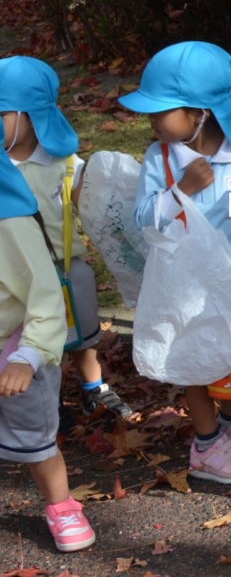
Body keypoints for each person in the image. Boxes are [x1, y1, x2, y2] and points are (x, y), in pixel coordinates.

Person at [122, 42, 231, 483]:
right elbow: (143, 218)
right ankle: (205, 444)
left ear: (200, 112)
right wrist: (179, 189)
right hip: (189, 280)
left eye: (159, 110)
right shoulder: (160, 160)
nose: (149, 120)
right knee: (197, 356)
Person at [0, 56, 132, 421]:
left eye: (2, 114)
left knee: (82, 336)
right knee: (22, 337)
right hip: (14, 274)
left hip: (64, 268)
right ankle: (45, 396)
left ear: (31, 114)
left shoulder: (63, 162)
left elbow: (89, 207)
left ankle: (94, 387)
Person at [0, 119, 95, 551]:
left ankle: (62, 506)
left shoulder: (12, 222)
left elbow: (44, 296)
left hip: (14, 347)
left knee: (36, 439)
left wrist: (29, 354)